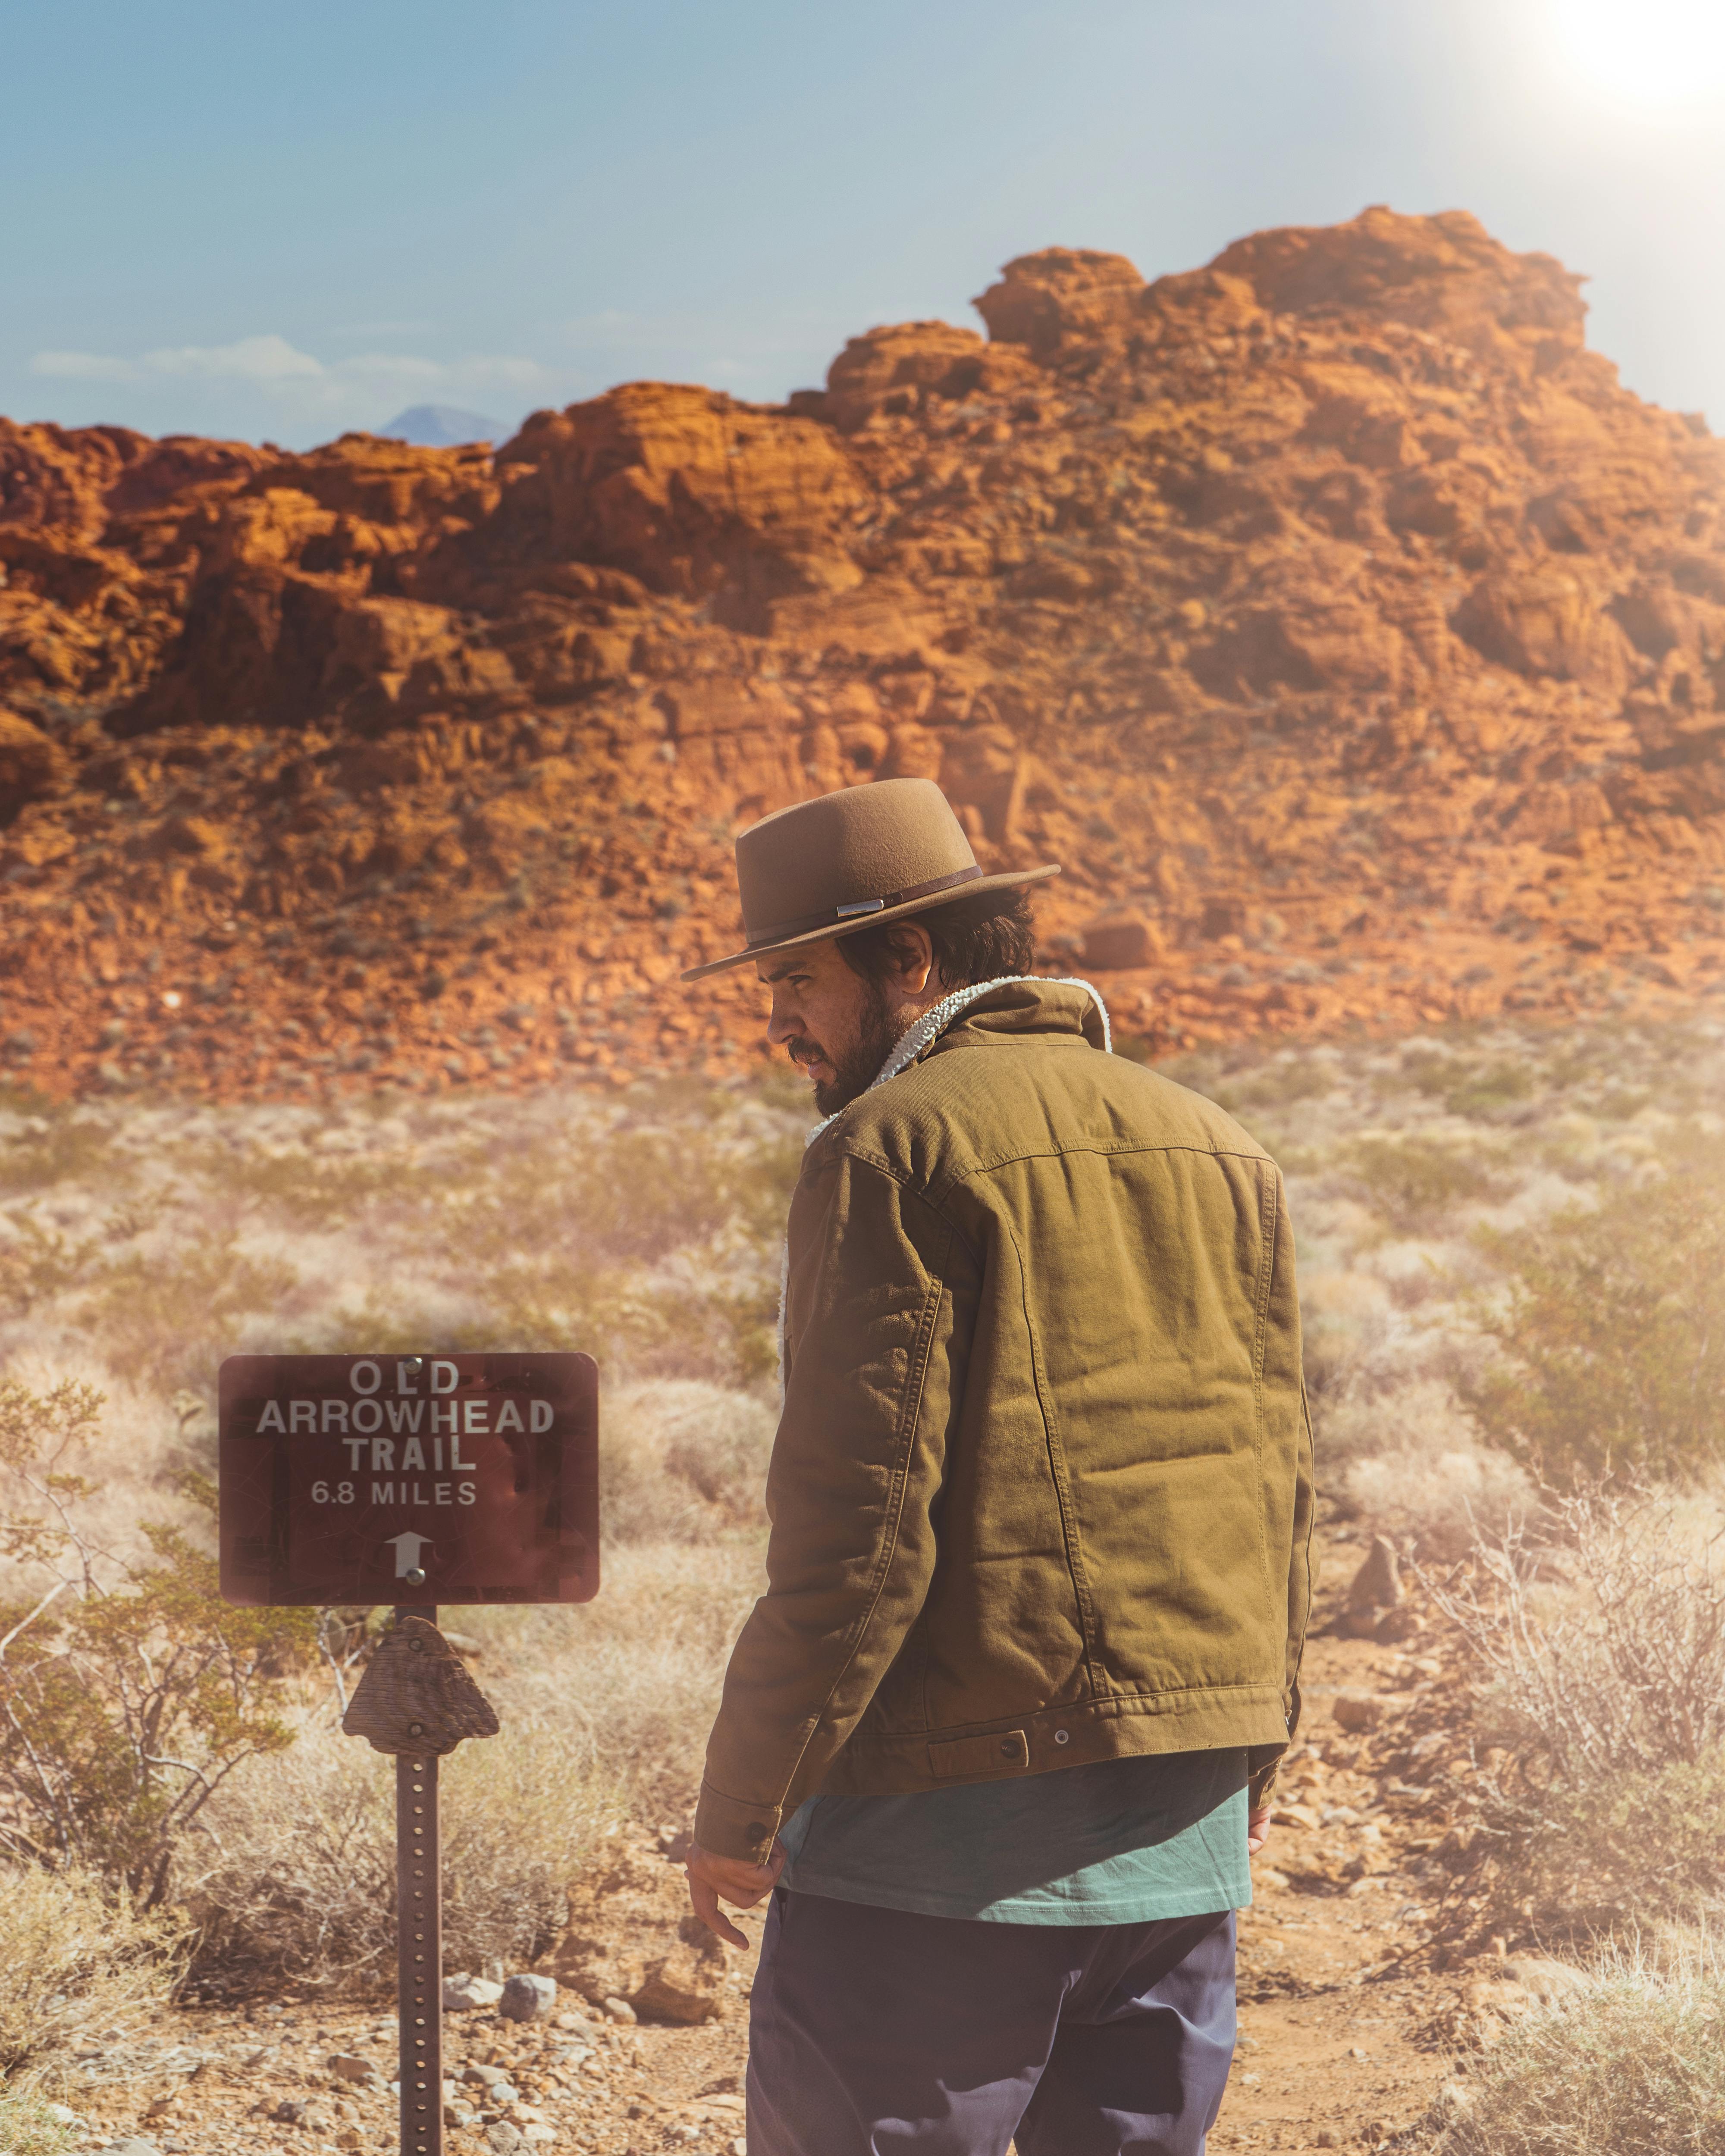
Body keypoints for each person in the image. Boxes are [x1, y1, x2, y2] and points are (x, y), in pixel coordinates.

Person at [677, 777, 1314, 2156]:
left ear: (908, 958)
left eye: (794, 979)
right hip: (1181, 1838)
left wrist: (742, 1804)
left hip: (932, 1867)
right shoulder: (1221, 1142)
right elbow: (1276, 1482)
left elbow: (860, 1533)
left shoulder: (888, 1150)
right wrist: (1256, 1742)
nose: (774, 1024)